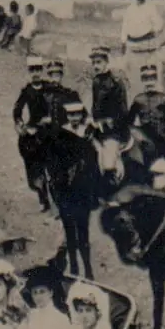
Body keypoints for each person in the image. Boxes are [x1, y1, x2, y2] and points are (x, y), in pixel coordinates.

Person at [48, 101, 101, 279]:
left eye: (77, 114)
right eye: (71, 115)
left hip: (83, 191)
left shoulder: (88, 134)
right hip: (65, 191)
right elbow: (54, 163)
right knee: (69, 231)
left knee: (83, 232)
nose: (75, 118)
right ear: (67, 116)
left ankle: (88, 269)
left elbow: (94, 163)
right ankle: (74, 268)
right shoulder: (60, 135)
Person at [13, 56, 52, 211]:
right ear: (29, 72)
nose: (35, 73)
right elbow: (17, 111)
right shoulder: (27, 90)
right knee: (34, 162)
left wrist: (51, 118)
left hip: (49, 128)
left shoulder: (49, 87)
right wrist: (20, 125)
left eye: (38, 70)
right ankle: (43, 197)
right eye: (32, 70)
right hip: (34, 129)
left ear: (42, 71)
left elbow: (59, 104)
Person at [119, 0, 165, 97]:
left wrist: (153, 31)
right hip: (134, 47)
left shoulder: (150, 7)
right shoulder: (130, 9)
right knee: (135, 77)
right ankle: (137, 96)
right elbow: (125, 26)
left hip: (147, 46)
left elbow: (159, 23)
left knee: (149, 74)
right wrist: (123, 42)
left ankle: (152, 96)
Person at [127, 63, 165, 167]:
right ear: (142, 80)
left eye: (152, 77)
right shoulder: (138, 99)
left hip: (162, 136)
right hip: (145, 137)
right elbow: (129, 121)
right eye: (146, 78)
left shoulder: (163, 98)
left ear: (156, 79)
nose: (149, 81)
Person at [89, 46, 128, 141]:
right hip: (98, 127)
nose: (95, 66)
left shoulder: (116, 81)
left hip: (114, 129)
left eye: (98, 62)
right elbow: (95, 105)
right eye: (93, 63)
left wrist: (110, 122)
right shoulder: (96, 81)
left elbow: (123, 111)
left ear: (106, 62)